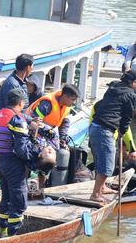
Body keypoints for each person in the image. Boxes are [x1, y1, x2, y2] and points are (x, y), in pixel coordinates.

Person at [0, 88, 41, 237]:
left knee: (6, 198)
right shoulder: (17, 120)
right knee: (19, 201)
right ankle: (12, 235)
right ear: (21, 102)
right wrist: (35, 158)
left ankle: (3, 232)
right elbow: (22, 150)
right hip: (12, 164)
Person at [88, 69, 136, 203]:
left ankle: (102, 187)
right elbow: (127, 117)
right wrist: (122, 131)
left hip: (94, 126)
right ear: (134, 83)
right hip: (105, 130)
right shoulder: (131, 95)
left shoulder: (113, 87)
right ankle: (96, 193)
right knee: (107, 163)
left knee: (99, 160)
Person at [27, 84, 80, 150]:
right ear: (65, 96)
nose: (74, 102)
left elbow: (64, 124)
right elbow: (34, 123)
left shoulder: (66, 106)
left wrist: (62, 140)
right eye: (73, 100)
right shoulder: (47, 104)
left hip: (47, 132)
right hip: (31, 131)